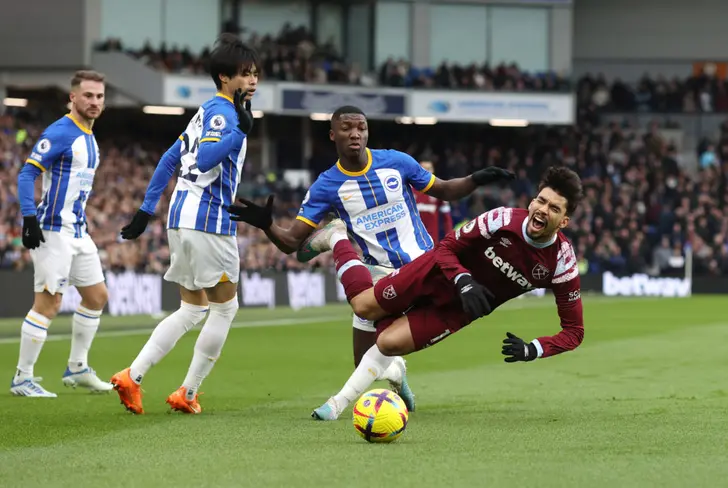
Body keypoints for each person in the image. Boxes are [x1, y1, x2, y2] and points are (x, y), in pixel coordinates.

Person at [226, 105, 515, 419]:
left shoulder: (397, 162)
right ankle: (396, 372)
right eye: (347, 127)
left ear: (367, 132)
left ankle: (336, 405)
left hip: (422, 266)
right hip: (376, 275)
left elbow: (443, 189)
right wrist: (267, 224)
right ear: (333, 134)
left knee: (384, 347)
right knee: (363, 360)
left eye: (361, 127)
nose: (355, 134)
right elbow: (292, 243)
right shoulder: (326, 186)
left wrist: (476, 178)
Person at [306, 166, 584, 419]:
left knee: (388, 343)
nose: (543, 210)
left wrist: (532, 349)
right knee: (363, 307)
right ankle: (337, 236)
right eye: (541, 201)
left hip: (458, 311)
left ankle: (371, 383)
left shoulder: (562, 261)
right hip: (435, 274)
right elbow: (447, 246)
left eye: (554, 208)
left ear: (563, 222)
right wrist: (463, 279)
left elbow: (574, 332)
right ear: (533, 200)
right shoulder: (501, 219)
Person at [109, 34, 258, 414]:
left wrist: (147, 209)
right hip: (208, 222)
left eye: (256, 73)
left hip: (181, 218)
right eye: (245, 74)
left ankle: (133, 375)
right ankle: (187, 393)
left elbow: (168, 160)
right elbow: (207, 158)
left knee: (192, 310)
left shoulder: (204, 110)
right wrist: (241, 131)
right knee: (225, 310)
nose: (253, 80)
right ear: (224, 78)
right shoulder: (225, 114)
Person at [12, 70, 112, 397]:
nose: (94, 101)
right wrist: (29, 218)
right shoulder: (61, 132)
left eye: (99, 96)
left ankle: (78, 367)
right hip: (52, 231)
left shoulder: (90, 136)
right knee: (48, 304)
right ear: (73, 97)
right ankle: (22, 378)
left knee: (96, 297)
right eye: (88, 95)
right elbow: (27, 175)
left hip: (78, 231)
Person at [414, 161, 453, 244]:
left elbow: (447, 217)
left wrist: (449, 238)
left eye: (429, 169)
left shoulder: (439, 190)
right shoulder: (409, 190)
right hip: (413, 239)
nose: (426, 171)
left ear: (433, 171)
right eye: (423, 169)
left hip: (432, 239)